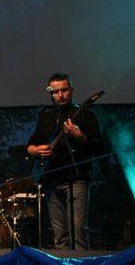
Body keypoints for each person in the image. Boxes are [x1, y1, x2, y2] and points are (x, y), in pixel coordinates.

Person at [26, 72, 103, 249]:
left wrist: (79, 136)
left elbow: (99, 147)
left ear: (71, 90)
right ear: (50, 93)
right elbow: (30, 145)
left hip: (77, 178)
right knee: (59, 235)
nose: (60, 95)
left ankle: (81, 261)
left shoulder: (86, 115)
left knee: (78, 231)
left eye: (64, 90)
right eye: (55, 92)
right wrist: (36, 150)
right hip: (51, 179)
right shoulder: (46, 117)